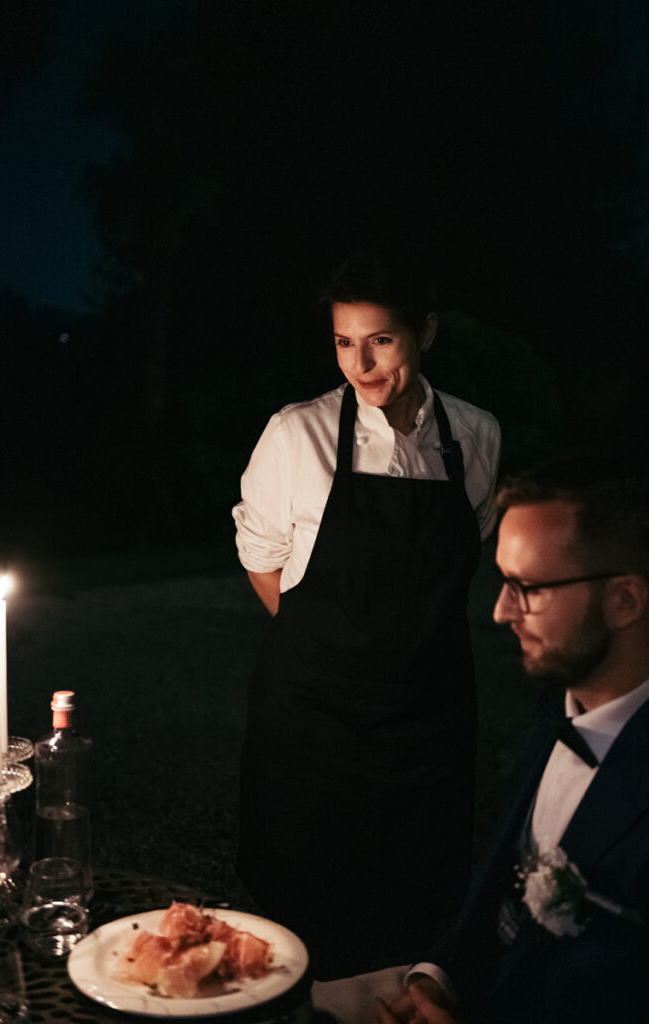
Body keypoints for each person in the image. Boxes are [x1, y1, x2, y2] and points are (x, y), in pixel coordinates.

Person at [231, 251, 501, 981]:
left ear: (425, 333)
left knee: (412, 918)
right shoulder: (299, 434)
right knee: (302, 929)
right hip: (315, 720)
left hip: (428, 720)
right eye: (344, 342)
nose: (360, 362)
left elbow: (467, 541)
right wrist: (333, 647)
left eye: (379, 339)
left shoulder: (476, 436)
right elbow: (261, 558)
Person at [375, 459, 649, 1024]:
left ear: (624, 601)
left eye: (527, 588)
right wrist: (440, 977)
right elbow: (504, 870)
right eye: (503, 582)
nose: (501, 612)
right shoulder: (556, 709)